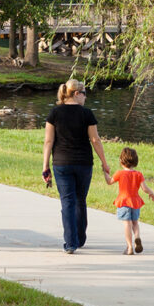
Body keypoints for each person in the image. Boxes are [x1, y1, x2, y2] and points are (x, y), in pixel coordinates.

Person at [42, 78, 110, 254]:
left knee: (68, 202)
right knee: (80, 199)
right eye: (84, 94)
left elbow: (48, 141)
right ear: (77, 94)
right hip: (83, 163)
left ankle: (71, 243)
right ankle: (79, 239)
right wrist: (104, 162)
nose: (86, 98)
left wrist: (45, 166)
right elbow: (95, 140)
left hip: (61, 163)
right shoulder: (86, 114)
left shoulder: (54, 113)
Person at [104, 147, 154, 255]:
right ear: (135, 161)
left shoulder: (120, 173)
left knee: (127, 224)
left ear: (121, 161)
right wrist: (152, 193)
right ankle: (137, 237)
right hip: (135, 202)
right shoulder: (138, 174)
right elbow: (144, 188)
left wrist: (105, 172)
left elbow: (109, 181)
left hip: (123, 202)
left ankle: (129, 247)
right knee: (135, 223)